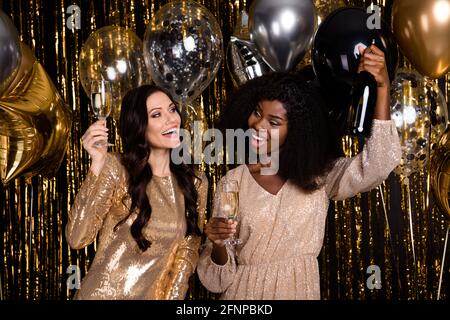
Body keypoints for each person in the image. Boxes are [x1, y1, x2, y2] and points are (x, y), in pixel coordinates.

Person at [197, 45, 401, 299]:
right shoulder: (233, 181)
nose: (258, 125)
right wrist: (217, 245)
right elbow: (218, 281)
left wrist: (382, 88)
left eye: (274, 122)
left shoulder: (321, 176)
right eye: (257, 113)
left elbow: (378, 164)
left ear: (295, 130)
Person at [66, 84, 208, 299]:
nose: (171, 119)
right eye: (157, 115)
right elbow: (77, 238)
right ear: (139, 126)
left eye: (172, 109)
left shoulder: (195, 182)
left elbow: (187, 252)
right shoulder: (116, 168)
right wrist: (97, 165)